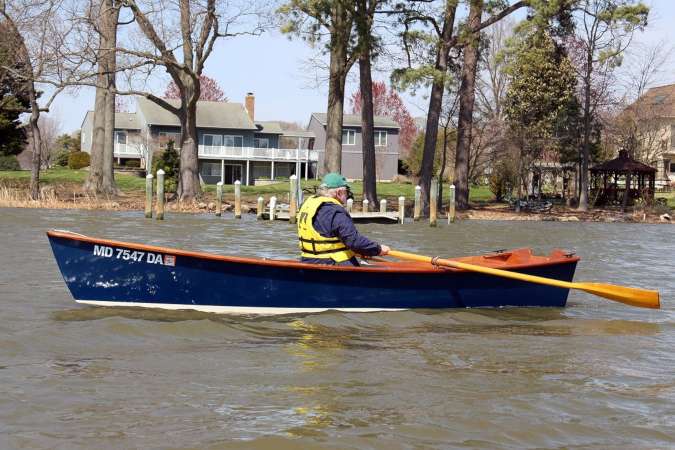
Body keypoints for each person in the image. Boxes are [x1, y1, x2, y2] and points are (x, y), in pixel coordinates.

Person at [297, 172, 390, 266]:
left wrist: (364, 250)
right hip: (333, 263)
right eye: (346, 192)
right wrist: (378, 249)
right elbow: (354, 241)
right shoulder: (334, 211)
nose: (347, 195)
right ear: (339, 193)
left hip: (307, 260)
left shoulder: (307, 205)